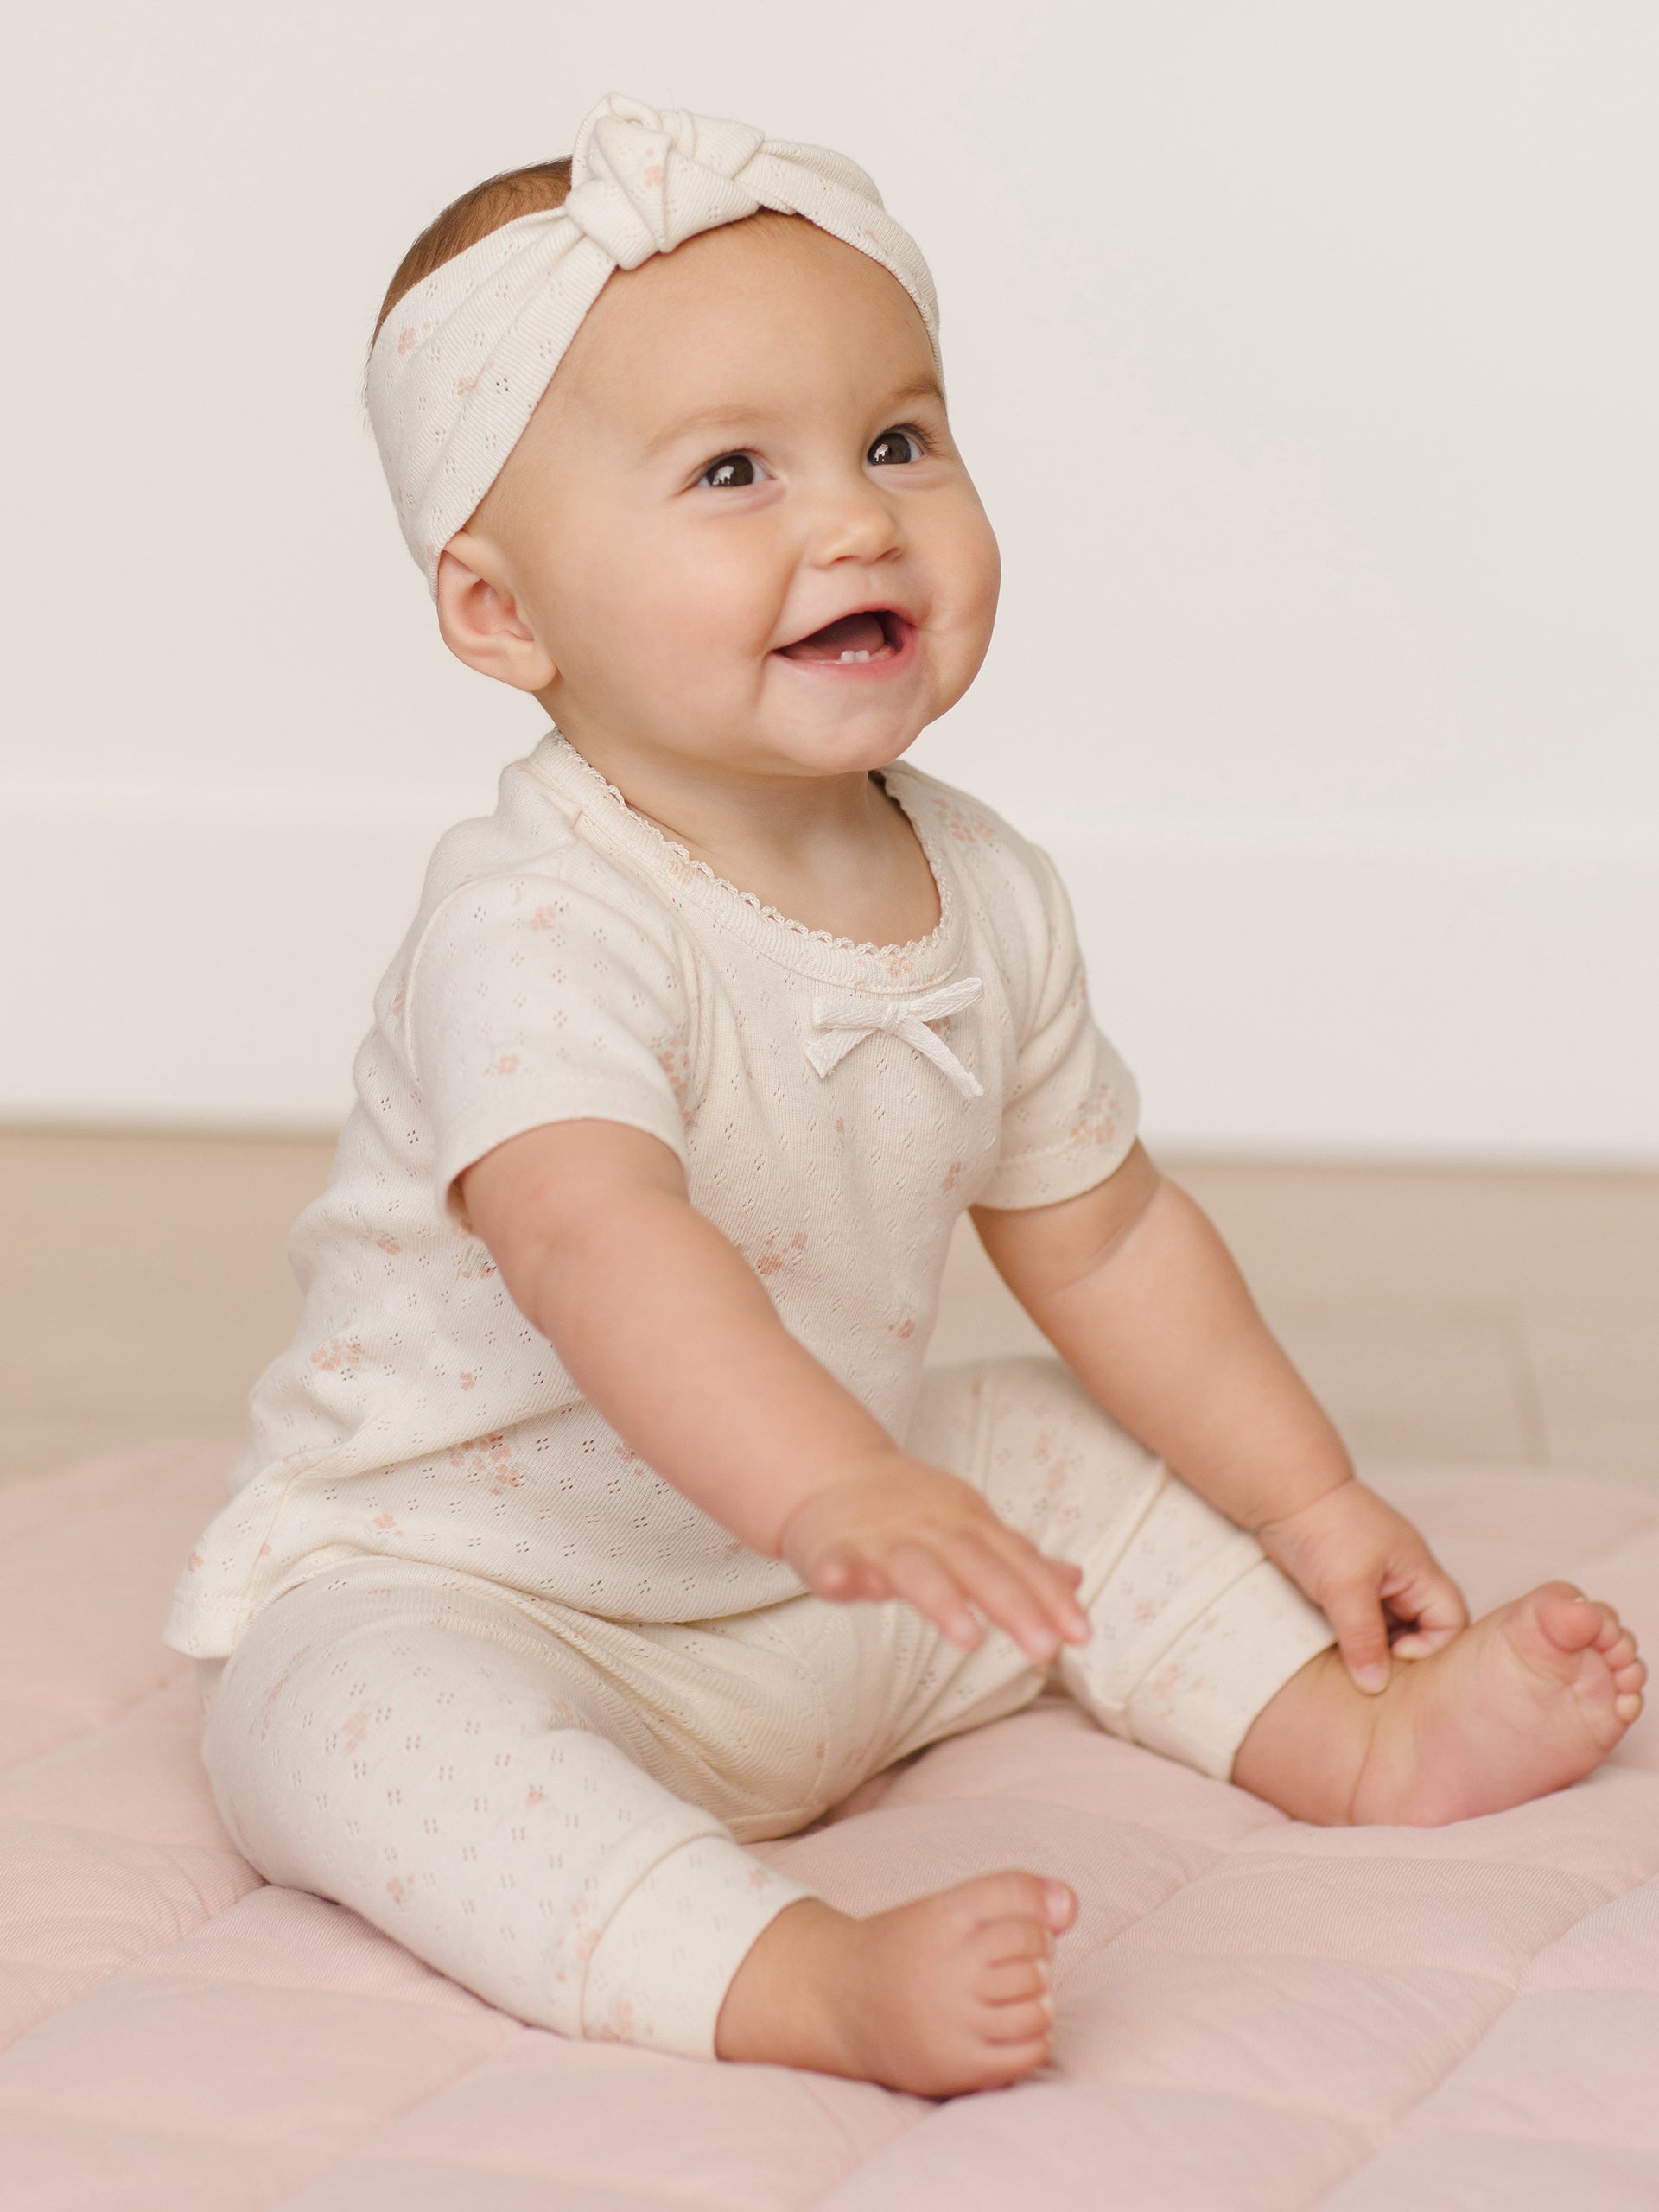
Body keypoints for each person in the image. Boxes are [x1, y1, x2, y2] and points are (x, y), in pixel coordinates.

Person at [164, 93, 1644, 2098]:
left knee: (1040, 1442)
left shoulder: (985, 884)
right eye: (732, 472)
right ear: (501, 612)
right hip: (508, 1593)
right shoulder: (538, 918)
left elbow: (1104, 1227)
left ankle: (1349, 1728)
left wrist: (1307, 1495)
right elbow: (599, 1236)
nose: (854, 520)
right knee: (338, 1724)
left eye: (897, 440)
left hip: (836, 1587)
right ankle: (783, 1970)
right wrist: (827, 1484)